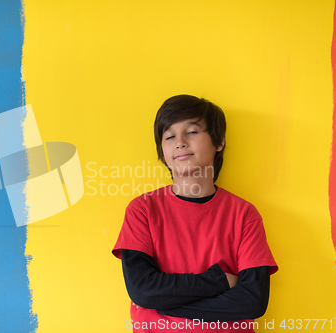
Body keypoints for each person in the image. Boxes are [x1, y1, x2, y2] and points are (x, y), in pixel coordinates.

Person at [112, 95, 278, 332]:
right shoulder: (142, 210)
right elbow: (143, 290)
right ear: (162, 152)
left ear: (219, 141)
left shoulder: (244, 214)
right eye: (169, 136)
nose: (179, 142)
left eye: (191, 132)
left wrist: (164, 305)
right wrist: (219, 281)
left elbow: (252, 301)